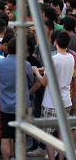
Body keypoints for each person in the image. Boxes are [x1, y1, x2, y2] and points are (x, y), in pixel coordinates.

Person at [0, 38, 38, 160]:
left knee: (5, 136)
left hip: (5, 105)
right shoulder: (26, 64)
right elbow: (30, 81)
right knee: (22, 136)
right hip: (22, 106)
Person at [34, 30, 75, 160]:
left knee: (48, 135)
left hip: (51, 102)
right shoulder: (71, 57)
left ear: (55, 42)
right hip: (66, 100)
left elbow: (44, 82)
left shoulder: (53, 59)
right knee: (63, 132)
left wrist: (36, 72)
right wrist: (44, 69)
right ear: (68, 44)